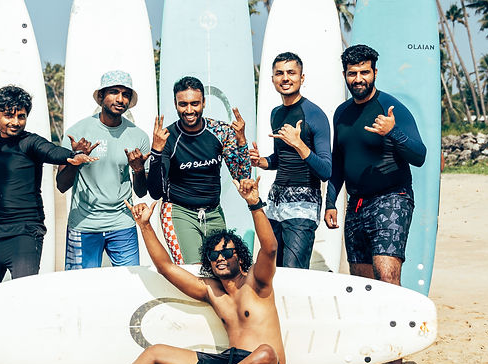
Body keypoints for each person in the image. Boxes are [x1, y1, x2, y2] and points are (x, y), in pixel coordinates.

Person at [63, 175, 286, 364]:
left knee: (264, 352)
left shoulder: (257, 282)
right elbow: (166, 267)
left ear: (240, 257)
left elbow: (270, 247)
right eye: (213, 255)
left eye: (226, 252)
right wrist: (145, 226)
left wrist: (254, 203)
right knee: (156, 352)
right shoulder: (211, 290)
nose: (219, 257)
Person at [323, 44, 426, 364]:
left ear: (374, 73)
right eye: (352, 73)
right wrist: (330, 202)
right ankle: (372, 353)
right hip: (356, 205)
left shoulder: (390, 108)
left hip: (392, 197)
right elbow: (338, 162)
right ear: (345, 76)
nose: (358, 78)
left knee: (385, 275)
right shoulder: (341, 113)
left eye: (364, 72)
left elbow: (420, 156)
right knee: (362, 283)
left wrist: (392, 132)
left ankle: (394, 356)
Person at [0, 85, 97, 301]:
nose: (15, 122)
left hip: (26, 232)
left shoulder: (30, 142)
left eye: (21, 116)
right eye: (8, 115)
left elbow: (53, 152)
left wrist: (73, 155)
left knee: (24, 300)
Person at [147, 76, 250, 264]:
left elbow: (242, 176)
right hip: (179, 212)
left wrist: (241, 141)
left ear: (203, 102)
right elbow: (155, 192)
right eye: (183, 104)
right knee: (194, 272)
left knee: (223, 267)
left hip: (213, 212)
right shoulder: (168, 137)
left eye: (195, 103)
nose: (189, 110)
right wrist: (156, 151)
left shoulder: (221, 132)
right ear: (175, 104)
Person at [57, 70, 151, 270]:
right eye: (114, 92)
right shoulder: (77, 133)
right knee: (80, 288)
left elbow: (142, 191)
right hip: (83, 225)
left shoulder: (139, 136)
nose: (120, 99)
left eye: (125, 94)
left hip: (122, 225)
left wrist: (138, 170)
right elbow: (61, 185)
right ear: (101, 97)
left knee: (129, 285)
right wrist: (76, 160)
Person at [249, 51, 333, 269]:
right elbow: (280, 159)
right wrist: (261, 162)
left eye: (291, 73)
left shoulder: (315, 115)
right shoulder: (276, 113)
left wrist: (299, 143)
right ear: (272, 79)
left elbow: (325, 170)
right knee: (272, 270)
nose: (285, 78)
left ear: (301, 78)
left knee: (294, 272)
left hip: (303, 205)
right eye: (279, 73)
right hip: (276, 202)